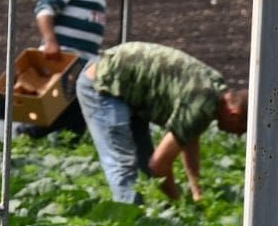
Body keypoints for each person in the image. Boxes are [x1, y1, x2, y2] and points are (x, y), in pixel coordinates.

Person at [76, 41, 246, 204]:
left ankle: (140, 212)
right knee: (123, 163)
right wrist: (178, 202)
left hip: (127, 89)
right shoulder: (202, 103)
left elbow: (188, 136)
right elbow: (159, 164)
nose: (238, 134)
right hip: (103, 84)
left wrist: (196, 190)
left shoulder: (215, 88)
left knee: (144, 162)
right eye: (242, 129)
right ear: (234, 114)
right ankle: (130, 223)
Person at [31, 0, 125, 134]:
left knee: (75, 114)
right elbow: (45, 8)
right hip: (63, 58)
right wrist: (50, 42)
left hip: (82, 62)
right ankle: (28, 134)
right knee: (57, 111)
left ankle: (61, 147)